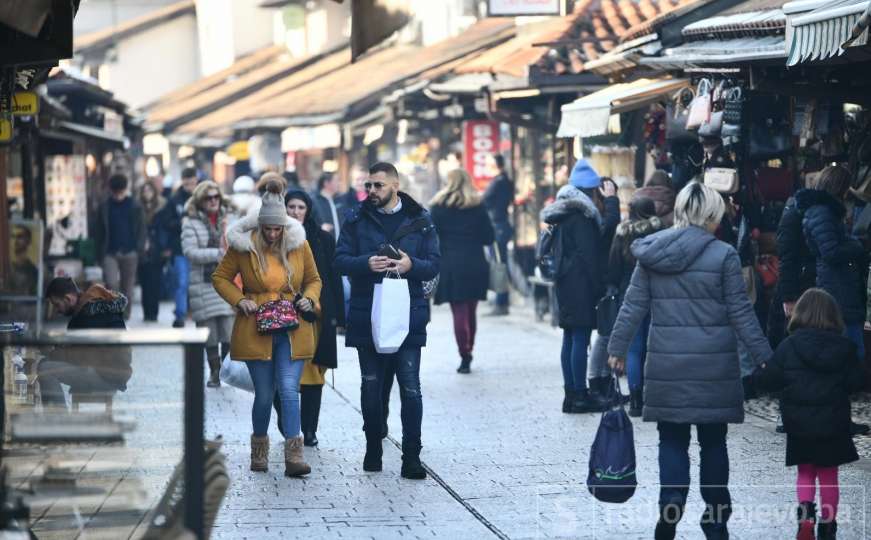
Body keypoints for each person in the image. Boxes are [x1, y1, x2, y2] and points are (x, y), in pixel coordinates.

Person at [607, 182, 772, 539]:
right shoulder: (724, 255)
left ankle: (671, 506)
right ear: (712, 216)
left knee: (672, 441)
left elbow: (632, 305)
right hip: (715, 370)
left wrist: (616, 349)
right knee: (714, 443)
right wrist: (765, 358)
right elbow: (741, 313)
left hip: (668, 368)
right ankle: (715, 522)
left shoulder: (652, 252)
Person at [334, 161, 440, 479]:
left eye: (378, 185)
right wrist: (367, 263)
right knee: (371, 384)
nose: (371, 191)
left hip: (409, 314)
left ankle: (411, 457)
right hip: (368, 311)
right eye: (368, 185)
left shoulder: (420, 220)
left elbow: (434, 264)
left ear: (395, 185)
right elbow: (339, 260)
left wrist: (411, 265)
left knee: (410, 387)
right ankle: (373, 446)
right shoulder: (356, 218)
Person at [213, 179, 322, 477]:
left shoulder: (300, 244)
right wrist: (239, 300)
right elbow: (220, 278)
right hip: (255, 326)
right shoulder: (243, 246)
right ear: (259, 226)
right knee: (264, 394)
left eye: (278, 229)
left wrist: (309, 300)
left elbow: (314, 280)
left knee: (289, 390)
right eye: (268, 229)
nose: (273, 234)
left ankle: (294, 456)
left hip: (292, 327)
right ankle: (259, 451)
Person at [754, 289, 864, 540]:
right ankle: (828, 525)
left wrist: (759, 374)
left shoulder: (789, 345)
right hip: (833, 421)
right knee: (829, 474)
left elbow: (770, 379)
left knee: (805, 471)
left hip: (799, 422)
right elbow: (856, 382)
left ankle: (805, 518)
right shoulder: (845, 348)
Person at [540, 159, 619, 414]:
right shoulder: (582, 216)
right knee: (580, 337)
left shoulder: (564, 212)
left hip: (565, 282)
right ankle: (580, 396)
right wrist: (598, 286)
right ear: (589, 190)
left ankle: (571, 394)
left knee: (570, 337)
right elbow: (591, 255)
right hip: (579, 284)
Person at [273, 189, 345, 447]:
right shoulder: (273, 237)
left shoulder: (323, 239)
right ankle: (286, 423)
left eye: (300, 207)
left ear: (308, 210)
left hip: (317, 316)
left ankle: (309, 429)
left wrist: (339, 317)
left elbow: (333, 277)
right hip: (281, 316)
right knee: (282, 372)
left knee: (314, 373)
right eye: (290, 207)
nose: (295, 212)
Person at [430, 169, 495, 374]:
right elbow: (489, 237)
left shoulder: (438, 207)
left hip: (450, 263)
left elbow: (431, 236)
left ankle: (464, 355)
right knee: (471, 309)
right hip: (475, 262)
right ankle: (470, 349)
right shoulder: (477, 205)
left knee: (458, 311)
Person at [800, 165, 868, 359]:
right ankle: (852, 384)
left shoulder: (824, 211)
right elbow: (830, 252)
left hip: (837, 282)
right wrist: (857, 245)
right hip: (837, 283)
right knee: (850, 341)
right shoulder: (823, 212)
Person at [605, 196, 664, 416]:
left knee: (634, 347)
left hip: (628, 294)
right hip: (656, 293)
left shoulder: (623, 233)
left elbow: (612, 267)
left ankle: (636, 399)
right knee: (653, 345)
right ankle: (653, 396)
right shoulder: (661, 231)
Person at [41, 277, 132, 409]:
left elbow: (79, 358)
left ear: (68, 299)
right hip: (115, 373)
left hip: (106, 375)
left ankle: (58, 420)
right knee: (46, 363)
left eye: (57, 304)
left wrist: (52, 354)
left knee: (44, 369)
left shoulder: (86, 316)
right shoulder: (92, 306)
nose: (57, 310)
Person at [182, 181, 237, 388]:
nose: (213, 201)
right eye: (208, 198)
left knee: (228, 330)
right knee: (209, 332)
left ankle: (226, 370)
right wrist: (217, 254)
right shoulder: (190, 223)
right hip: (203, 283)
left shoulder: (228, 219)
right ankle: (214, 372)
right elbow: (189, 252)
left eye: (216, 197)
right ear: (200, 201)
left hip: (227, 281)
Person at [94, 173, 146, 320]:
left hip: (130, 252)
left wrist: (139, 249)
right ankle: (114, 314)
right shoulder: (104, 206)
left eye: (121, 192)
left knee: (128, 288)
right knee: (111, 283)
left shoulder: (135, 205)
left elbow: (142, 229)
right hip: (110, 251)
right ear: (111, 191)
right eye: (115, 193)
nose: (118, 196)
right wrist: (98, 255)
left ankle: (125, 315)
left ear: (125, 189)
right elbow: (98, 231)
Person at [165, 167, 199, 327]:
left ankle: (198, 312)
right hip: (180, 248)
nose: (189, 187)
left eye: (192, 183)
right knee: (182, 282)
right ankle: (180, 315)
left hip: (200, 247)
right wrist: (180, 223)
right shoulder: (175, 200)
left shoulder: (203, 198)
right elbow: (166, 223)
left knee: (199, 282)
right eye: (186, 184)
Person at [483, 154, 513, 316]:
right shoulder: (503, 181)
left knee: (499, 264)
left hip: (498, 226)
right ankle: (501, 299)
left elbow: (485, 200)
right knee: (499, 263)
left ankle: (502, 302)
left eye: (489, 163)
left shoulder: (499, 182)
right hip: (499, 225)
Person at [137, 182, 167, 322]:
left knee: (155, 282)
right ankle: (146, 313)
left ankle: (153, 313)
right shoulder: (137, 207)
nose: (147, 193)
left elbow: (165, 228)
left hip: (157, 249)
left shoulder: (162, 207)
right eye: (145, 190)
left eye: (150, 190)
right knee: (144, 282)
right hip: (142, 249)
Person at [312, 172, 342, 240]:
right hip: (323, 246)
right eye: (337, 181)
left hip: (340, 247)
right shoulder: (314, 202)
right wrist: (319, 228)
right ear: (326, 183)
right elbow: (308, 224)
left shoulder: (340, 200)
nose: (339, 184)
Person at [10, 225, 39, 295]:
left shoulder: (32, 271)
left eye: (19, 237)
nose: (15, 240)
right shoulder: (7, 267)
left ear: (28, 240)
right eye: (13, 236)